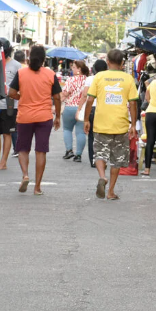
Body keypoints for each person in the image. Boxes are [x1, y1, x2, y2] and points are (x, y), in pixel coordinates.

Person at [83, 49, 138, 200]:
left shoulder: (99, 76)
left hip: (101, 122)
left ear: (107, 62)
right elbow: (133, 103)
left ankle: (102, 176)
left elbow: (89, 100)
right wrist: (133, 124)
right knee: (116, 160)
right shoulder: (128, 79)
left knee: (99, 153)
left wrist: (86, 119)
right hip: (120, 124)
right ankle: (110, 192)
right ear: (122, 63)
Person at [8, 45, 62, 195]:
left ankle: (25, 175)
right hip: (44, 117)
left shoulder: (21, 73)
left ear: (29, 57)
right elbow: (57, 97)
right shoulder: (50, 74)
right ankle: (37, 187)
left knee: (23, 148)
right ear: (44, 59)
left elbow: (11, 93)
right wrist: (58, 116)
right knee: (41, 151)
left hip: (25, 117)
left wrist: (22, 97)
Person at [0, 38, 21, 170]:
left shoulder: (16, 65)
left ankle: (3, 162)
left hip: (10, 105)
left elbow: (20, 86)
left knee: (7, 133)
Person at [78, 59, 107, 168]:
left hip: (91, 108)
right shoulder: (107, 78)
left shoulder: (90, 79)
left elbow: (85, 94)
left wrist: (80, 109)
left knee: (91, 136)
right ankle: (102, 160)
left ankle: (93, 160)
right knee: (103, 135)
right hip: (103, 109)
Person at [60, 60, 89, 162]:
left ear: (79, 69)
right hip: (82, 109)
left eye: (73, 67)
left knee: (67, 130)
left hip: (69, 107)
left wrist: (58, 102)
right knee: (81, 132)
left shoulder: (70, 80)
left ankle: (69, 150)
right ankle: (78, 155)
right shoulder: (88, 80)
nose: (72, 69)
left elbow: (65, 94)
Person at [11, 50, 27, 157]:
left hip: (13, 100)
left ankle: (16, 148)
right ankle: (22, 146)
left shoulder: (11, 66)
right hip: (24, 101)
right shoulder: (27, 68)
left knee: (13, 127)